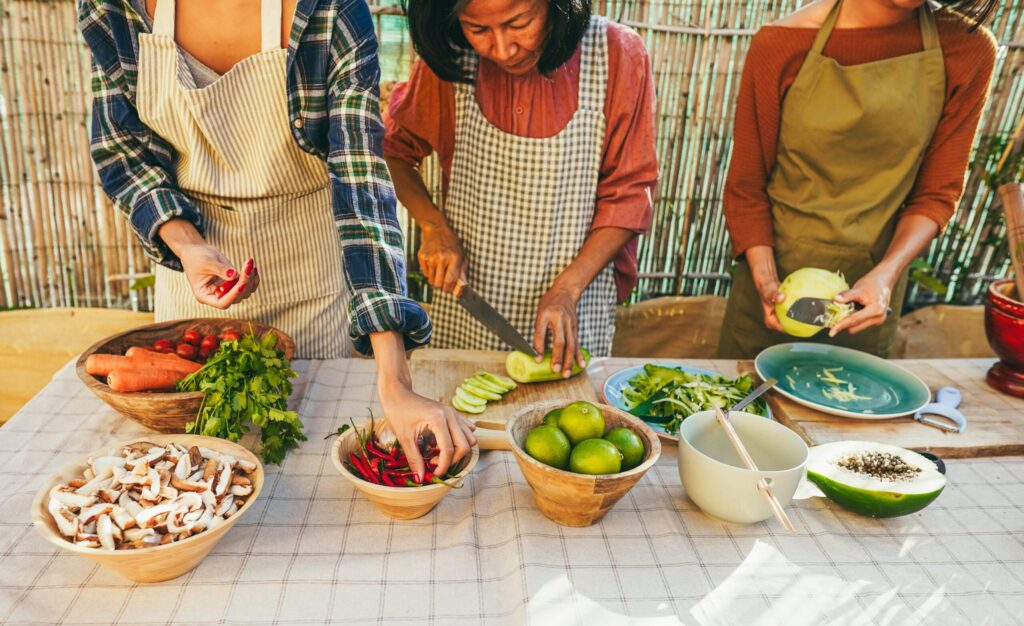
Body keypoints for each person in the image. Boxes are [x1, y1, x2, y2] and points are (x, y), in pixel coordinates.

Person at [79, 0, 474, 479]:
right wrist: (187, 245)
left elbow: (361, 180)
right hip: (192, 269)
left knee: (309, 461)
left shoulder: (330, 9)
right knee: (192, 470)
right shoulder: (114, 7)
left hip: (309, 273)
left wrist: (395, 382)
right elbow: (124, 154)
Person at [384, 0, 657, 376]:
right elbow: (394, 154)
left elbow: (629, 196)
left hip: (577, 302)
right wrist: (433, 227)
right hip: (469, 313)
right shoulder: (451, 60)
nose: (501, 49)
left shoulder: (616, 55)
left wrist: (566, 290)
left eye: (519, 23)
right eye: (478, 30)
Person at [717, 0, 998, 358]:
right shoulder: (781, 44)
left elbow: (937, 194)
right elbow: (745, 188)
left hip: (868, 304)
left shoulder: (967, 49)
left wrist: (886, 275)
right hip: (769, 293)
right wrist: (766, 280)